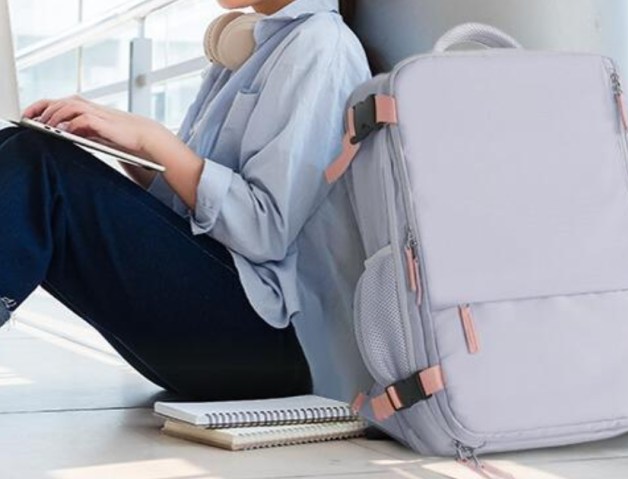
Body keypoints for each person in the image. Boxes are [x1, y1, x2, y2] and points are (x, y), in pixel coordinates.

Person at [0, 0, 372, 402]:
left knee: (36, 163)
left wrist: (153, 140)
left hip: (276, 344)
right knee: (18, 145)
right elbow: (192, 210)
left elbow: (266, 231)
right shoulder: (245, 51)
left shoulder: (322, 47)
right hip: (226, 318)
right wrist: (123, 147)